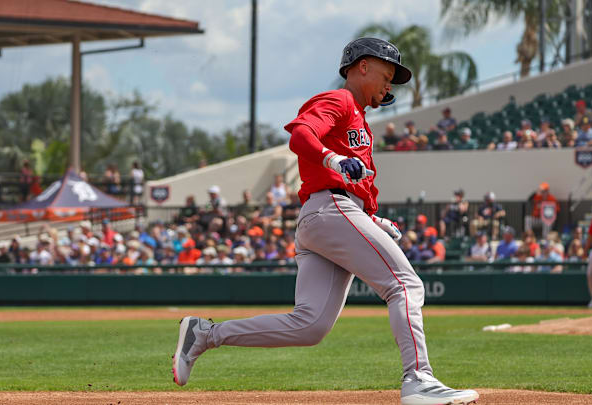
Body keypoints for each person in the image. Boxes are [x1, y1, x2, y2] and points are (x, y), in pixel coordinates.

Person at [171, 38, 479, 405]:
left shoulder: (360, 119)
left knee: (310, 325)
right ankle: (418, 379)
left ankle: (206, 334)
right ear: (362, 66)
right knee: (405, 286)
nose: (390, 83)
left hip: (327, 215)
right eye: (387, 73)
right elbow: (301, 135)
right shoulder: (340, 100)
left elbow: (351, 184)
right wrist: (331, 160)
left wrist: (372, 219)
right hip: (329, 209)